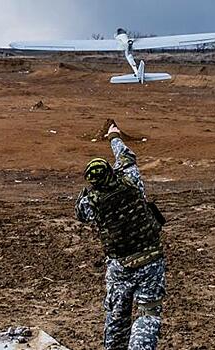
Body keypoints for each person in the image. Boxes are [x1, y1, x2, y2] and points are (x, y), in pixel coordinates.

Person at [75, 122, 165, 350]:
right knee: (148, 314)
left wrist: (89, 192)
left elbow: (80, 212)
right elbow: (126, 157)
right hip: (151, 261)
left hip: (120, 266)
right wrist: (113, 137)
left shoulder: (92, 204)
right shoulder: (131, 180)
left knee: (117, 316)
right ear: (111, 171)